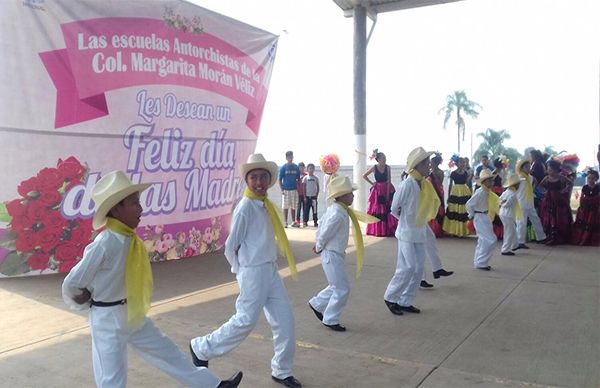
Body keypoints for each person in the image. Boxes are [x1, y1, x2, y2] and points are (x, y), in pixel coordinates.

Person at [62, 170, 242, 388]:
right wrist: (82, 296)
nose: (141, 209)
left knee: (168, 352)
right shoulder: (105, 243)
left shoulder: (130, 239)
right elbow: (73, 282)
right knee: (111, 377)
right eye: (134, 203)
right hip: (107, 319)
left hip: (131, 313)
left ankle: (212, 385)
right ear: (117, 208)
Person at [190, 154, 301, 388]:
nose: (259, 182)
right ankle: (202, 347)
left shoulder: (265, 206)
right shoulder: (245, 207)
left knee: (285, 320)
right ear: (247, 181)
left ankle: (282, 370)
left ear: (269, 180)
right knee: (245, 321)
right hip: (252, 272)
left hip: (269, 270)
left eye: (263, 177)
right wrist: (240, 271)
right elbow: (230, 246)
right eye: (254, 178)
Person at [384, 147, 439, 316]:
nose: (429, 167)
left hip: (419, 231)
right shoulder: (407, 184)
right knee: (408, 267)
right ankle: (391, 297)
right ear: (418, 166)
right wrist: (406, 221)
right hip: (407, 232)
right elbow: (394, 208)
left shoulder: (423, 184)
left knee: (418, 267)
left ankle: (405, 300)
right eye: (426, 164)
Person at [308, 176, 356, 332]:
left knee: (337, 285)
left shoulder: (336, 209)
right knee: (342, 288)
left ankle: (317, 303)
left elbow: (321, 225)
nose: (353, 195)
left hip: (335, 254)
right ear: (342, 196)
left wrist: (319, 243)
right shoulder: (337, 213)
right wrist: (319, 245)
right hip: (331, 254)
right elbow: (325, 232)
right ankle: (330, 318)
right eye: (350, 193)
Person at [466, 169, 500, 270]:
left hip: (485, 216)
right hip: (480, 217)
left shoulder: (487, 192)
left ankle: (479, 261)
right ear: (483, 182)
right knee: (490, 240)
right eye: (489, 180)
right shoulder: (481, 192)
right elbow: (469, 204)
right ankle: (481, 262)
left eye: (491, 180)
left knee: (483, 240)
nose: (491, 182)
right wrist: (471, 215)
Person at [538, 160, 573, 245]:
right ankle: (550, 235)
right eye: (548, 170)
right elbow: (540, 185)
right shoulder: (547, 178)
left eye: (550, 170)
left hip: (559, 199)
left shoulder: (561, 177)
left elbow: (570, 183)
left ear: (555, 169)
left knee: (559, 216)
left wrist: (564, 190)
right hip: (549, 199)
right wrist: (545, 191)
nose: (549, 171)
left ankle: (559, 236)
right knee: (549, 216)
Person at [363, 149, 398, 237]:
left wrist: (387, 194)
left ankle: (388, 229)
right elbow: (364, 176)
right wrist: (373, 184)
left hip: (387, 188)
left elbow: (389, 180)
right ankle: (379, 230)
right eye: (383, 158)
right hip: (377, 190)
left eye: (385, 157)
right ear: (378, 159)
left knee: (389, 208)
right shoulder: (374, 167)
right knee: (378, 209)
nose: (385, 159)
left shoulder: (388, 167)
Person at [515, 159, 547, 248]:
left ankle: (541, 237)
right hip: (521, 202)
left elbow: (535, 182)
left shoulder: (531, 177)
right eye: (526, 167)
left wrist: (532, 189)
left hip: (530, 202)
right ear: (521, 168)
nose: (528, 168)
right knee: (521, 222)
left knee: (536, 219)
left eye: (529, 166)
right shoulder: (518, 177)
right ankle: (520, 241)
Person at [442, 157, 472, 237]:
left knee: (463, 211)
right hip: (455, 192)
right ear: (457, 163)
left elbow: (468, 184)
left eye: (464, 162)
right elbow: (450, 185)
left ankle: (463, 231)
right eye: (461, 162)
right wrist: (448, 196)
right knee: (454, 211)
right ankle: (454, 230)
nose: (463, 164)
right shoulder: (453, 173)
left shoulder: (466, 173)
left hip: (464, 192)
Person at [572, 169, 600, 246]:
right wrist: (581, 206)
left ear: (596, 179)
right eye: (589, 178)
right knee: (584, 223)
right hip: (585, 208)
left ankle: (591, 239)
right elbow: (581, 197)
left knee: (592, 223)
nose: (590, 180)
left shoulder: (597, 187)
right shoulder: (585, 187)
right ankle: (583, 237)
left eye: (592, 178)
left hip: (594, 208)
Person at [499, 174, 523, 255]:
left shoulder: (506, 191)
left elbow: (500, 200)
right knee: (510, 231)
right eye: (519, 184)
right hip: (508, 214)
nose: (519, 185)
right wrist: (503, 203)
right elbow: (507, 204)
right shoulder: (513, 194)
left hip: (503, 213)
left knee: (510, 230)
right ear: (515, 185)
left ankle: (514, 245)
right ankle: (505, 249)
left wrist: (502, 203)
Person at [279, 151, 301, 228]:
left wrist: (299, 187)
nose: (290, 158)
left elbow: (298, 179)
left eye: (291, 157)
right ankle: (285, 222)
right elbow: (280, 179)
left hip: (294, 189)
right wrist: (282, 189)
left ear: (293, 157)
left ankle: (293, 221)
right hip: (286, 189)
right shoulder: (283, 168)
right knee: (285, 206)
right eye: (288, 157)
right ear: (286, 158)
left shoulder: (296, 167)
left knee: (294, 206)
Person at [427, 153, 446, 237]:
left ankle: (437, 229)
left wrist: (433, 174)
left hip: (437, 192)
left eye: (432, 163)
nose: (430, 164)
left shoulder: (440, 172)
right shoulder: (428, 172)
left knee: (438, 210)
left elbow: (439, 183)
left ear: (436, 163)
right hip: (430, 194)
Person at [491, 156, 507, 240]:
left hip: (501, 192)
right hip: (496, 193)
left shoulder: (502, 172)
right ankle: (496, 233)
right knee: (496, 212)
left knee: (500, 212)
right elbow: (491, 184)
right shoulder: (494, 173)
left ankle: (500, 233)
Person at [295, 162, 306, 227]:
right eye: (300, 167)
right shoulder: (296, 175)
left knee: (305, 208)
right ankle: (298, 221)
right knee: (298, 208)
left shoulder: (306, 175)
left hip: (304, 194)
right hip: (298, 194)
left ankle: (304, 221)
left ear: (304, 168)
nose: (301, 169)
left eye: (302, 167)